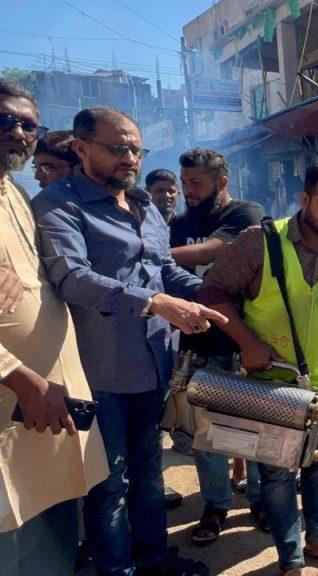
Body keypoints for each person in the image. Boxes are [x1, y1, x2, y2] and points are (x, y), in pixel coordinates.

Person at [32, 106, 224, 576]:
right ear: (82, 148)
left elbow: (164, 270)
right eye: (117, 148)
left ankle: (154, 559)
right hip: (100, 371)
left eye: (136, 149)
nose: (130, 158)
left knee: (149, 473)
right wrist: (155, 303)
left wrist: (214, 292)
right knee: (108, 483)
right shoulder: (59, 205)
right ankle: (116, 569)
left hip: (154, 364)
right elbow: (72, 279)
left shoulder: (144, 205)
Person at [198, 159, 318, 576]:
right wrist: (247, 343)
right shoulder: (259, 240)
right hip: (270, 385)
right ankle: (290, 558)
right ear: (304, 199)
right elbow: (212, 291)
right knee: (278, 474)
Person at [0, 78, 108, 576]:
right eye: (6, 120)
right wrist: (23, 380)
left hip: (51, 406)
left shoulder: (17, 193)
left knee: (55, 530)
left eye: (29, 125)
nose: (19, 133)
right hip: (16, 399)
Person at [169, 147, 267, 546]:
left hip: (243, 342)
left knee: (254, 430)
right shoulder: (177, 224)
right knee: (206, 435)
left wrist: (149, 255)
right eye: (184, 182)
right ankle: (215, 505)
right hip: (197, 345)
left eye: (196, 182)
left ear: (221, 182)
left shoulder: (245, 214)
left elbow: (213, 250)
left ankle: (260, 499)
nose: (187, 190)